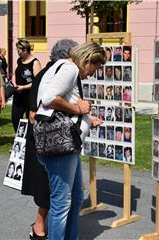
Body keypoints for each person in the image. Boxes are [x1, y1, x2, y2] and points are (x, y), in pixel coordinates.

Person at [35, 42, 105, 240]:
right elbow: (49, 99)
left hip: (67, 146)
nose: (92, 73)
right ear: (87, 60)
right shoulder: (70, 69)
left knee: (74, 199)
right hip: (61, 148)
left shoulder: (61, 67)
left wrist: (87, 120)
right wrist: (78, 110)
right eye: (95, 68)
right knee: (62, 203)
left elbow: (56, 105)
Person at [11, 39, 41, 133]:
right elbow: (16, 73)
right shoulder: (19, 61)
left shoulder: (35, 62)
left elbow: (37, 81)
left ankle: (29, 139)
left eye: (19, 50)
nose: (17, 52)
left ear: (25, 50)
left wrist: (23, 87)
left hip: (29, 95)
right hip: (18, 94)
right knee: (15, 117)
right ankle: (20, 137)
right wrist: (14, 83)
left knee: (30, 119)